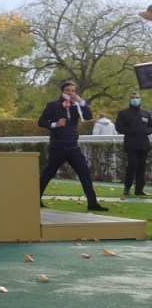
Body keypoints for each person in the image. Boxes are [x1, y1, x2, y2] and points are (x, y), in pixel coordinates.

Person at [38, 80, 108, 211]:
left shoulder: (76, 106)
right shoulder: (53, 105)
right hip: (58, 146)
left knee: (85, 173)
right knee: (48, 173)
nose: (70, 93)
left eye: (73, 91)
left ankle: (92, 203)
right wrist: (55, 124)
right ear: (62, 91)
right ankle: (35, 199)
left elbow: (88, 116)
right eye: (68, 90)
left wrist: (81, 102)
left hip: (73, 146)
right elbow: (41, 122)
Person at [114, 91, 152, 196]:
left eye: (137, 97)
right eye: (133, 97)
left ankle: (139, 189)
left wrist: (147, 131)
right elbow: (119, 127)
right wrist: (132, 130)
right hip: (131, 144)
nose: (135, 99)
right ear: (130, 100)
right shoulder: (123, 113)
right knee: (132, 166)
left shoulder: (146, 113)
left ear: (140, 99)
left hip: (144, 144)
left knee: (142, 167)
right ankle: (127, 187)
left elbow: (150, 126)